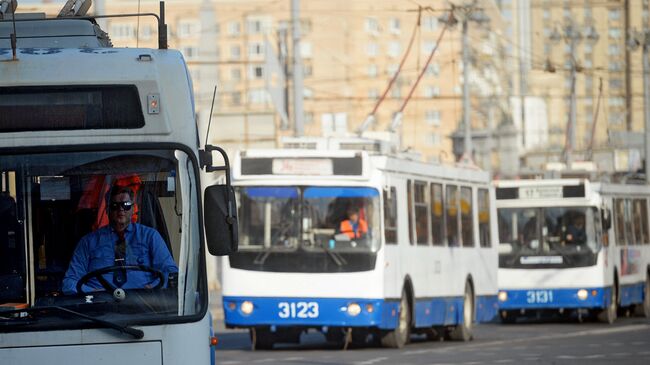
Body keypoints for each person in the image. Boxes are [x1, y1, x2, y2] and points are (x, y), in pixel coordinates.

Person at [62, 186, 178, 295]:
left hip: (143, 306)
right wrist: (93, 292)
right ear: (107, 210)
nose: (121, 209)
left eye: (126, 205)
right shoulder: (88, 242)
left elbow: (170, 272)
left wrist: (153, 288)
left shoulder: (150, 236)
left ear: (133, 208)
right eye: (114, 205)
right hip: (99, 308)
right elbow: (69, 283)